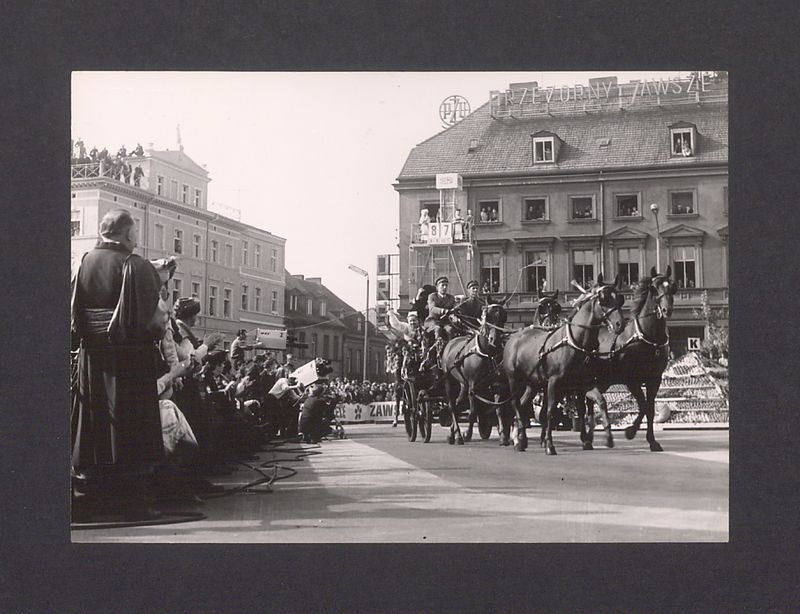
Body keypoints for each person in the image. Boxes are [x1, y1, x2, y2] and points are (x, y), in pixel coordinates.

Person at [70, 209, 166, 520]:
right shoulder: (135, 265)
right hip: (129, 360)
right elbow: (157, 323)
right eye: (135, 232)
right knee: (131, 424)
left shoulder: (84, 261)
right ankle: (132, 502)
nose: (136, 239)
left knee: (95, 422)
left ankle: (92, 497)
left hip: (92, 359)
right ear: (127, 234)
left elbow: (74, 312)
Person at [423, 276, 457, 367]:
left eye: (446, 285)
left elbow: (454, 309)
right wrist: (443, 311)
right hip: (433, 321)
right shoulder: (432, 296)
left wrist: (454, 315)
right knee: (437, 329)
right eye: (442, 285)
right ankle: (436, 353)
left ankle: (451, 351)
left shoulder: (451, 298)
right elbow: (432, 308)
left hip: (445, 322)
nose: (445, 288)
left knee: (450, 330)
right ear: (437, 287)